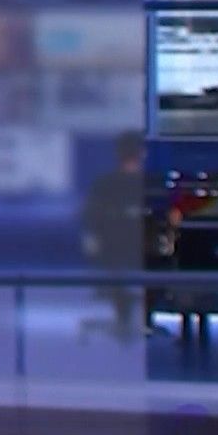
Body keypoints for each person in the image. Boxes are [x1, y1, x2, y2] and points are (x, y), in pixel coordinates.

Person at [83, 131, 150, 341]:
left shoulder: (106, 183)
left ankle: (128, 317)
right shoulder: (110, 183)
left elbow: (91, 216)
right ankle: (128, 317)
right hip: (122, 247)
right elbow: (92, 215)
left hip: (122, 247)